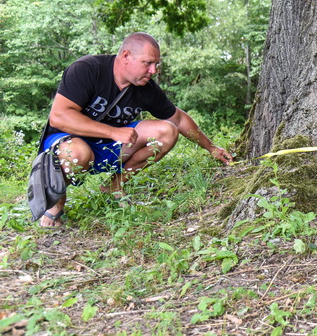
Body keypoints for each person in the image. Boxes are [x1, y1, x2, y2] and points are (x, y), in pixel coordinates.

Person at [38, 32, 233, 227]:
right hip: (68, 142)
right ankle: (56, 202)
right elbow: (59, 116)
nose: (153, 70)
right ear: (126, 56)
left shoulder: (146, 88)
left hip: (108, 146)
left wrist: (211, 147)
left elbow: (179, 118)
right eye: (147, 63)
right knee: (78, 152)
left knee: (167, 131)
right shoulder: (88, 69)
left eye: (156, 64)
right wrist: (113, 132)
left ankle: (114, 186)